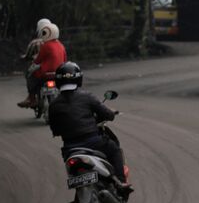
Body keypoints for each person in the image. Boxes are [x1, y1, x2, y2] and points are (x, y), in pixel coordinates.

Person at [47, 61, 132, 193]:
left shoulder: (53, 105)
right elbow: (107, 114)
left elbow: (55, 130)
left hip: (70, 149)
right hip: (93, 143)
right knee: (115, 150)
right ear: (79, 78)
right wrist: (110, 114)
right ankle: (120, 183)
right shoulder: (86, 96)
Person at [18, 21, 67, 108]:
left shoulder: (44, 45)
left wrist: (33, 64)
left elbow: (37, 60)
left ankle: (32, 98)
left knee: (30, 76)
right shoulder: (61, 45)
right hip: (58, 73)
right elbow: (65, 60)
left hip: (45, 73)